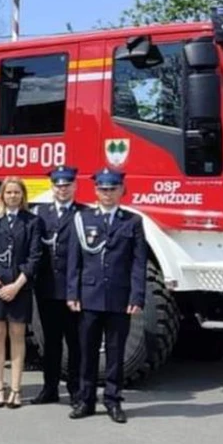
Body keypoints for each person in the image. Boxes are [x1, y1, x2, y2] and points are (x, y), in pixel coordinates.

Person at [67, 168, 146, 424]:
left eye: (112, 189)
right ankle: (86, 400)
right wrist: (72, 293)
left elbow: (138, 263)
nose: (107, 194)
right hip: (89, 296)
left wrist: (137, 296)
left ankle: (113, 400)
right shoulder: (83, 219)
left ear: (122, 190)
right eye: (103, 189)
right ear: (96, 191)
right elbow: (74, 261)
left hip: (119, 299)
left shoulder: (132, 222)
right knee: (87, 352)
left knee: (115, 353)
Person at [0, 176, 42, 409]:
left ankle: (15, 389)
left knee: (17, 335)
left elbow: (35, 257)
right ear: (2, 195)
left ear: (23, 195)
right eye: (8, 192)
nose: (12, 196)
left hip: (19, 287)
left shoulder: (32, 221)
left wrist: (16, 285)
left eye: (16, 192)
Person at [31, 165, 82, 405]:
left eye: (67, 185)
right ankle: (49, 388)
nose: (62, 189)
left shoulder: (84, 214)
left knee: (74, 341)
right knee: (50, 342)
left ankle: (75, 390)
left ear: (75, 186)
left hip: (73, 289)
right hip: (47, 288)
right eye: (58, 185)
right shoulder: (41, 213)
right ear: (52, 187)